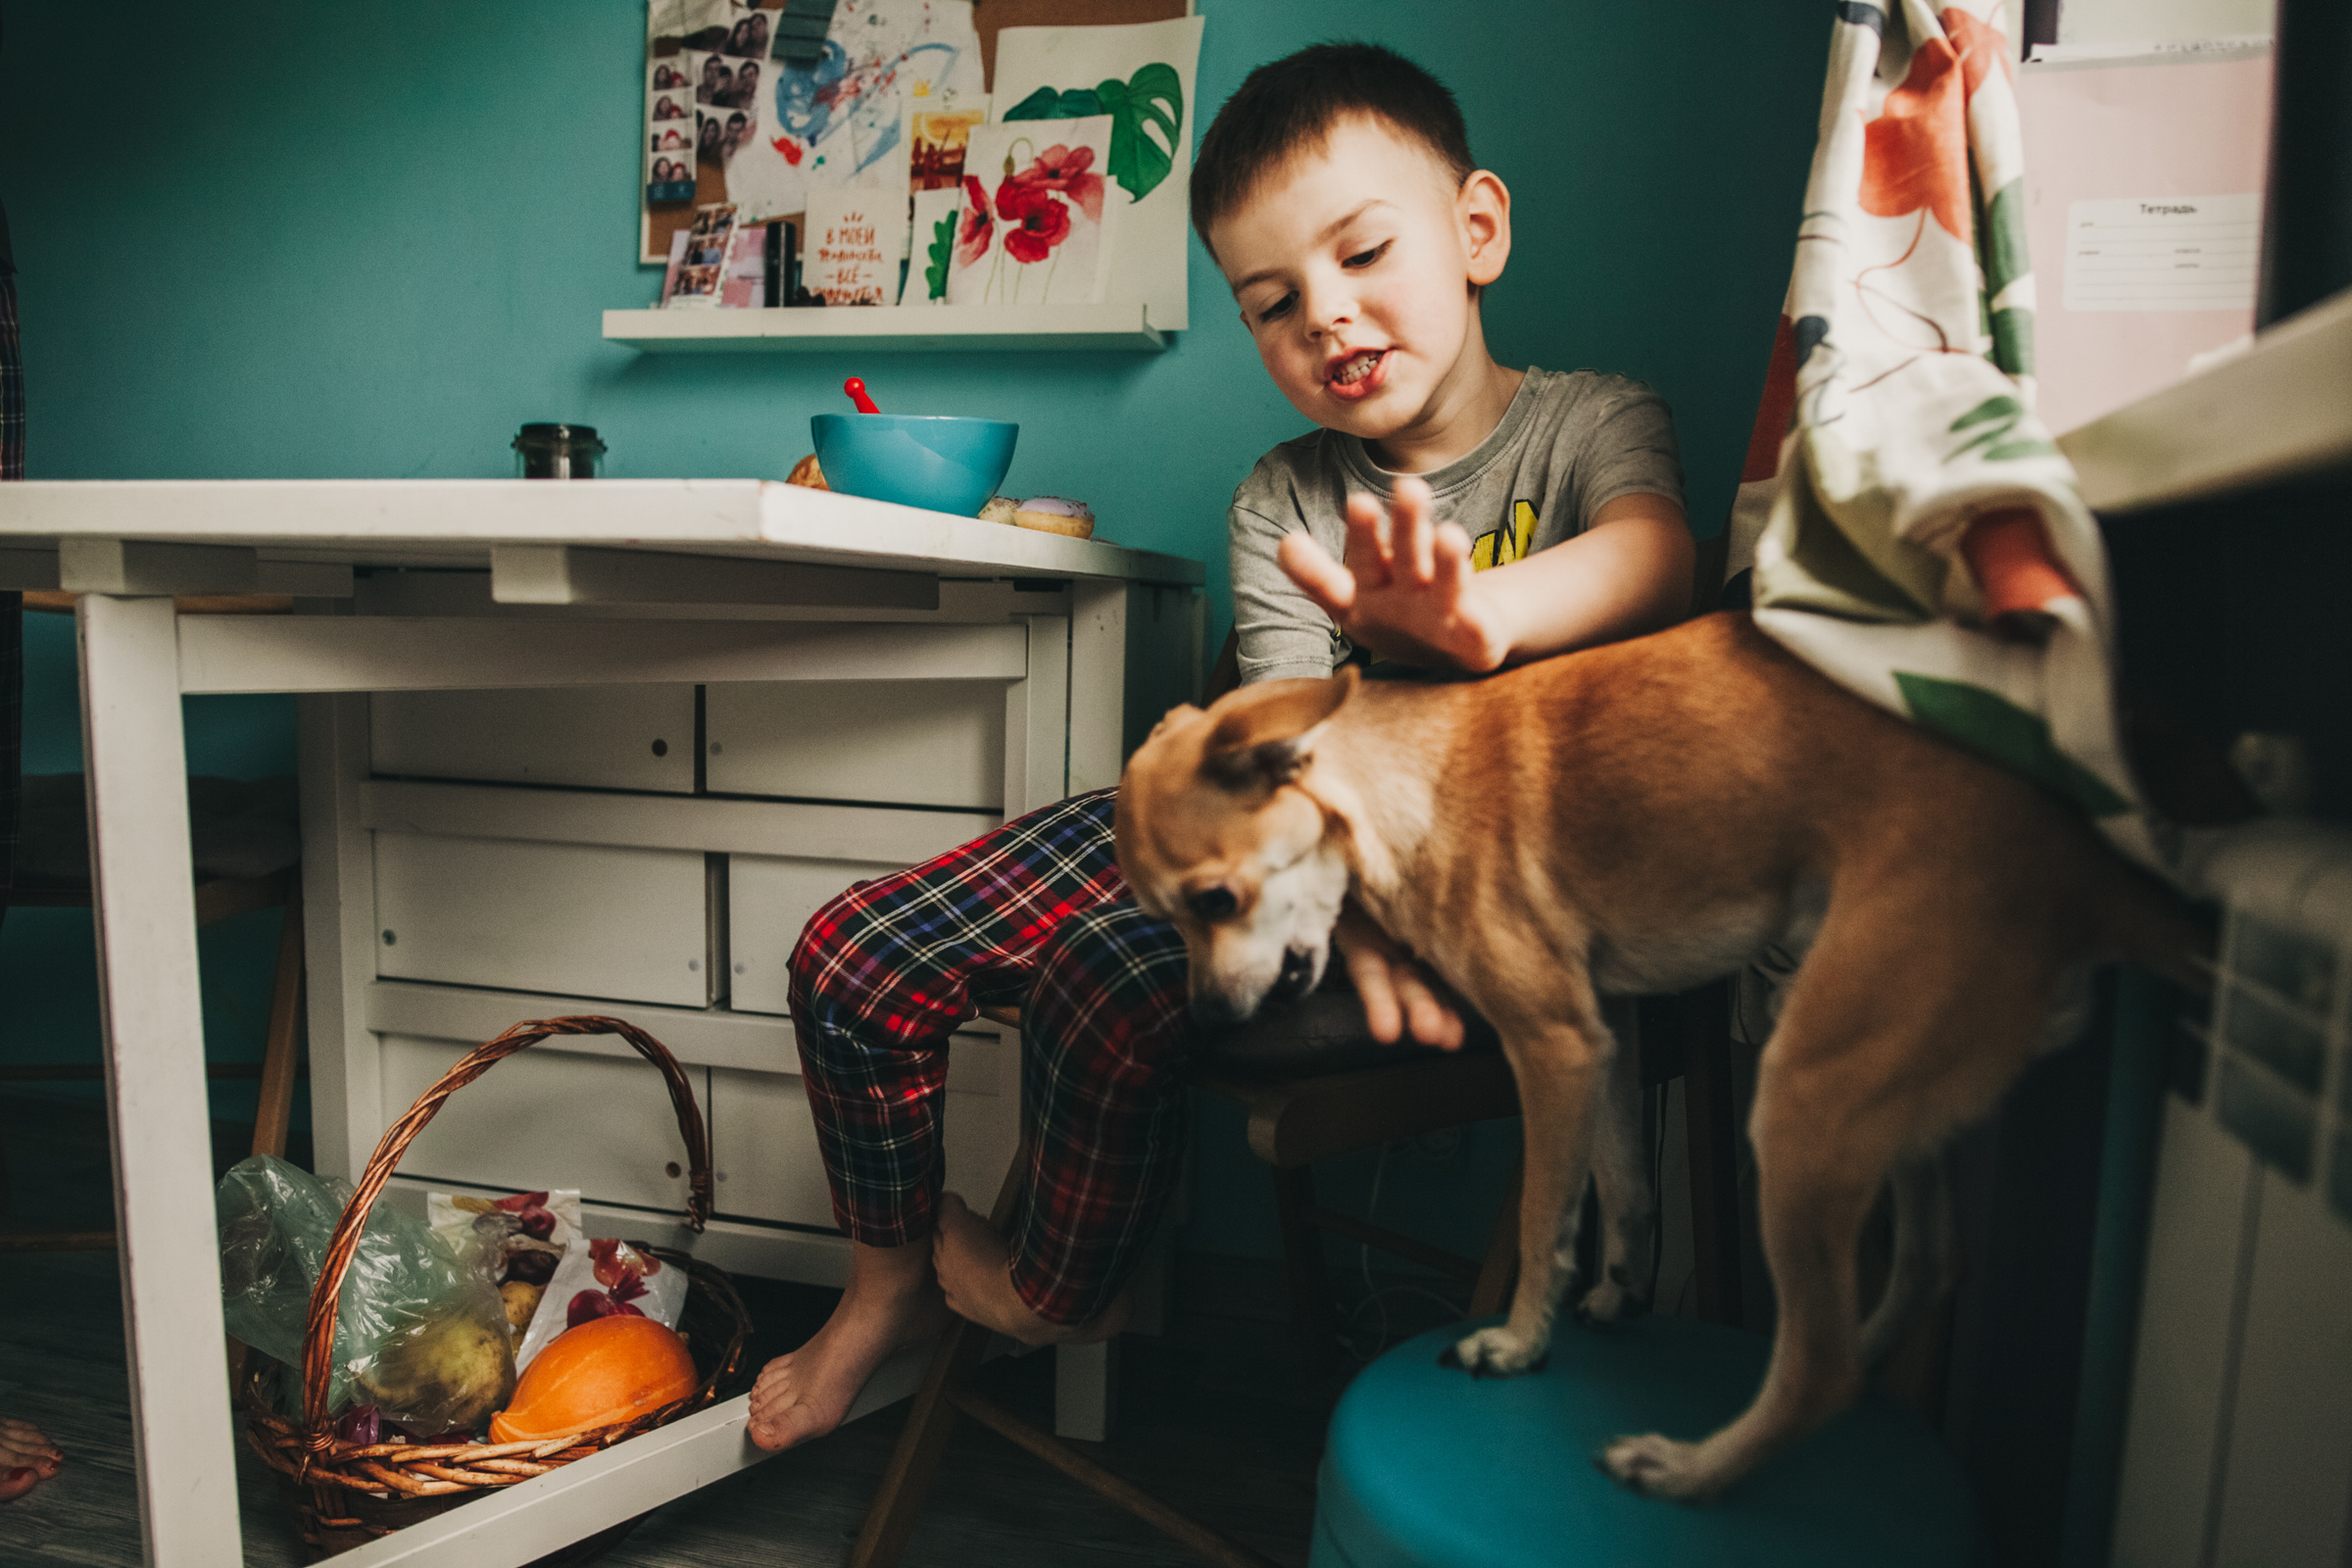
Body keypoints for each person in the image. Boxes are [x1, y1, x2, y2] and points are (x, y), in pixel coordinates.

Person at [746, 41, 1692, 1452]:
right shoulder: (1285, 496)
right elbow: (1281, 757)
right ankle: (886, 1285)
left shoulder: (1589, 426)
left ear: (1477, 229)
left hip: (1449, 893)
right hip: (1261, 818)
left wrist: (1471, 622)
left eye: (1365, 253)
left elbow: (1658, 559)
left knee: (1102, 975)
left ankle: (1048, 1289)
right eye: (1273, 303)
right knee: (854, 952)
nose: (1329, 315)